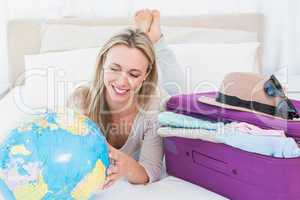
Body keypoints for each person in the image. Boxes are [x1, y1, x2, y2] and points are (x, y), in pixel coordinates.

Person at [68, 9, 183, 188]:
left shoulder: (154, 109)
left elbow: (151, 170)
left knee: (178, 98)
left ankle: (156, 40)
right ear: (103, 62)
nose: (122, 82)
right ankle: (144, 39)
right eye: (114, 68)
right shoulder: (80, 100)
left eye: (134, 73)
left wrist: (125, 167)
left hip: (156, 99)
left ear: (146, 75)